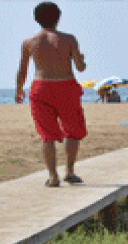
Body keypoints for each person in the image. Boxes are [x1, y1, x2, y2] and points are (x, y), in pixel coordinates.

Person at [15, 1, 87, 187]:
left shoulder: (29, 42)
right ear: (58, 18)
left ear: (36, 19)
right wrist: (81, 60)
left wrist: (18, 90)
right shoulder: (69, 39)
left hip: (41, 86)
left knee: (46, 134)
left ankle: (53, 176)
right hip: (65, 85)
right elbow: (80, 68)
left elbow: (22, 70)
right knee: (72, 130)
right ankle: (69, 171)